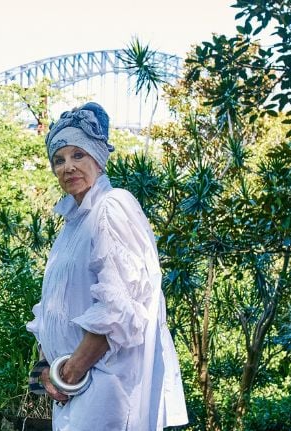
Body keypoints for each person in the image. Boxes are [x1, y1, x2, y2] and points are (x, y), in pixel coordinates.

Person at [26, 102, 188, 430]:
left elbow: (119, 306)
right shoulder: (73, 224)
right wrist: (48, 370)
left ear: (98, 158)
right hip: (73, 391)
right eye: (59, 160)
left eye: (78, 155)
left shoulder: (112, 208)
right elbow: (55, 308)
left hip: (103, 388)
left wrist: (72, 371)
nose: (68, 166)